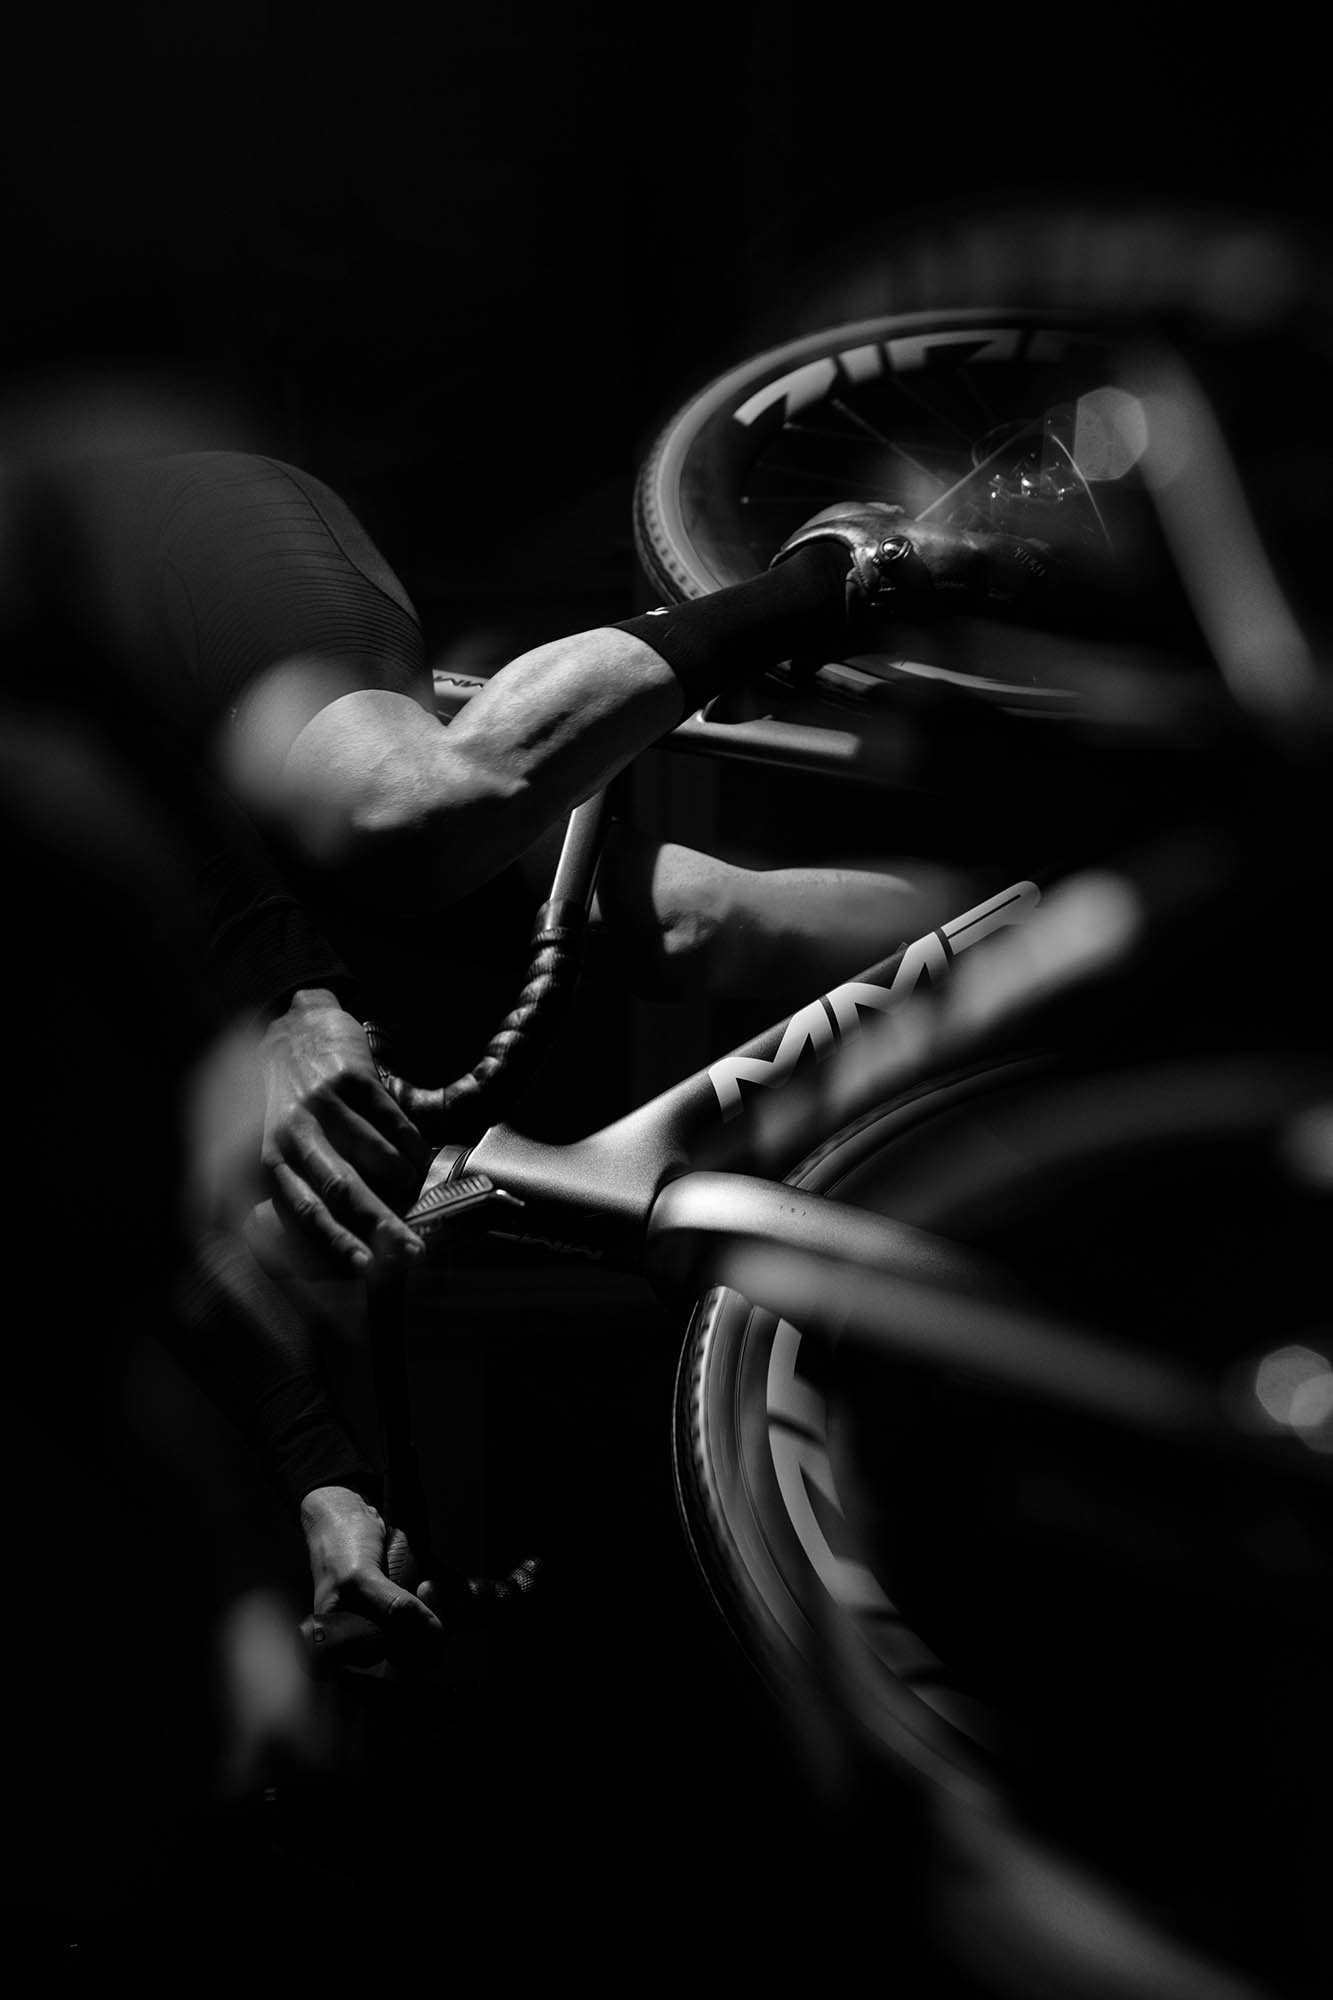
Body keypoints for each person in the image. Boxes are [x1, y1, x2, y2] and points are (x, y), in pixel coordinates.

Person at [4, 418, 985, 1673]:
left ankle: (845, 568)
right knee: (703, 928)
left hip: (164, 584)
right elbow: (156, 1234)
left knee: (405, 810)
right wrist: (327, 1486)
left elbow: (90, 753)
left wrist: (288, 1000)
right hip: (211, 809)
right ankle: (1100, 916)